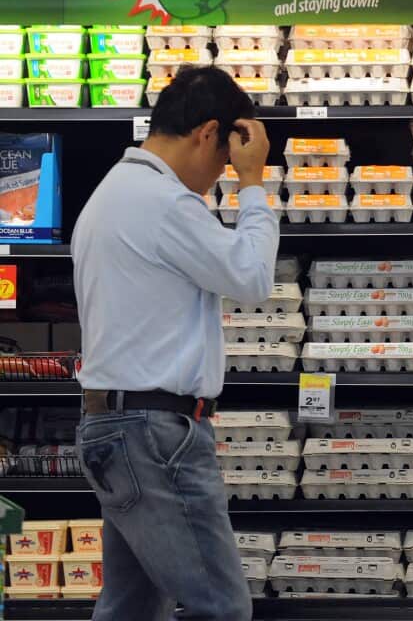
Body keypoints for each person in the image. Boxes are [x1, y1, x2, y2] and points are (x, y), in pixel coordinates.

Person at [72, 65, 277, 621]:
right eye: (224, 159)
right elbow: (253, 277)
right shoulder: (163, 203)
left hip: (116, 427)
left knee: (132, 607)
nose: (219, 176)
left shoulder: (112, 193)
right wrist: (254, 183)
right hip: (155, 434)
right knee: (220, 607)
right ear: (208, 133)